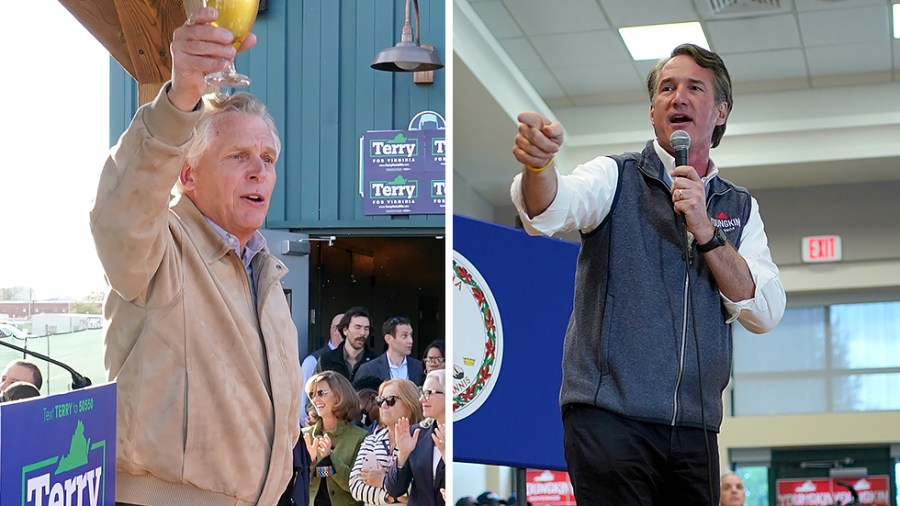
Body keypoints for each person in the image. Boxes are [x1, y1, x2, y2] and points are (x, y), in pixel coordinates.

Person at [510, 43, 786, 505]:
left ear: (720, 112)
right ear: (653, 111)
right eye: (666, 88)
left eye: (694, 88)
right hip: (609, 415)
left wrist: (707, 232)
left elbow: (765, 311)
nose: (677, 97)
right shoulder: (615, 176)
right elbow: (551, 208)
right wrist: (539, 166)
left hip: (696, 426)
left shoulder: (739, 207)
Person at [89, 6, 302, 504]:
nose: (259, 172)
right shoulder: (158, 249)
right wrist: (183, 95)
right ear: (186, 175)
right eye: (237, 157)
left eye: (267, 159)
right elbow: (119, 215)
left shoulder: (267, 276)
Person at [349, 378, 424, 505]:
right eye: (380, 400)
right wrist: (391, 497)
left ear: (409, 404)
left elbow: (423, 488)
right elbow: (355, 486)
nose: (383, 405)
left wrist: (383, 481)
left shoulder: (422, 440)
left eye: (390, 400)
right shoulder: (371, 440)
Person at [302, 371, 369, 506]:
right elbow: (294, 484)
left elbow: (355, 487)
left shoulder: (360, 438)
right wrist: (310, 462)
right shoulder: (304, 436)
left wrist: (330, 458)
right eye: (312, 395)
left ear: (338, 396)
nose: (315, 400)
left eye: (321, 393)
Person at [385, 370, 446, 506]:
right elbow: (394, 489)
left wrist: (446, 455)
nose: (422, 399)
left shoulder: (461, 438)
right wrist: (403, 454)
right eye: (422, 392)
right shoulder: (416, 433)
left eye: (429, 393)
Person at [301, 312, 345, 425]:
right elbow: (303, 400)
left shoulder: (355, 360)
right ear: (335, 330)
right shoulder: (313, 360)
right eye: (346, 328)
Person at [356, 316, 426, 386]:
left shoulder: (419, 368)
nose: (410, 341)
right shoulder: (369, 369)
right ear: (388, 339)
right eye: (404, 336)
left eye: (411, 335)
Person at [317, 307, 378, 382]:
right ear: (345, 330)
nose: (363, 333)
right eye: (358, 327)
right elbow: (314, 390)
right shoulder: (326, 360)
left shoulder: (376, 362)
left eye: (366, 328)